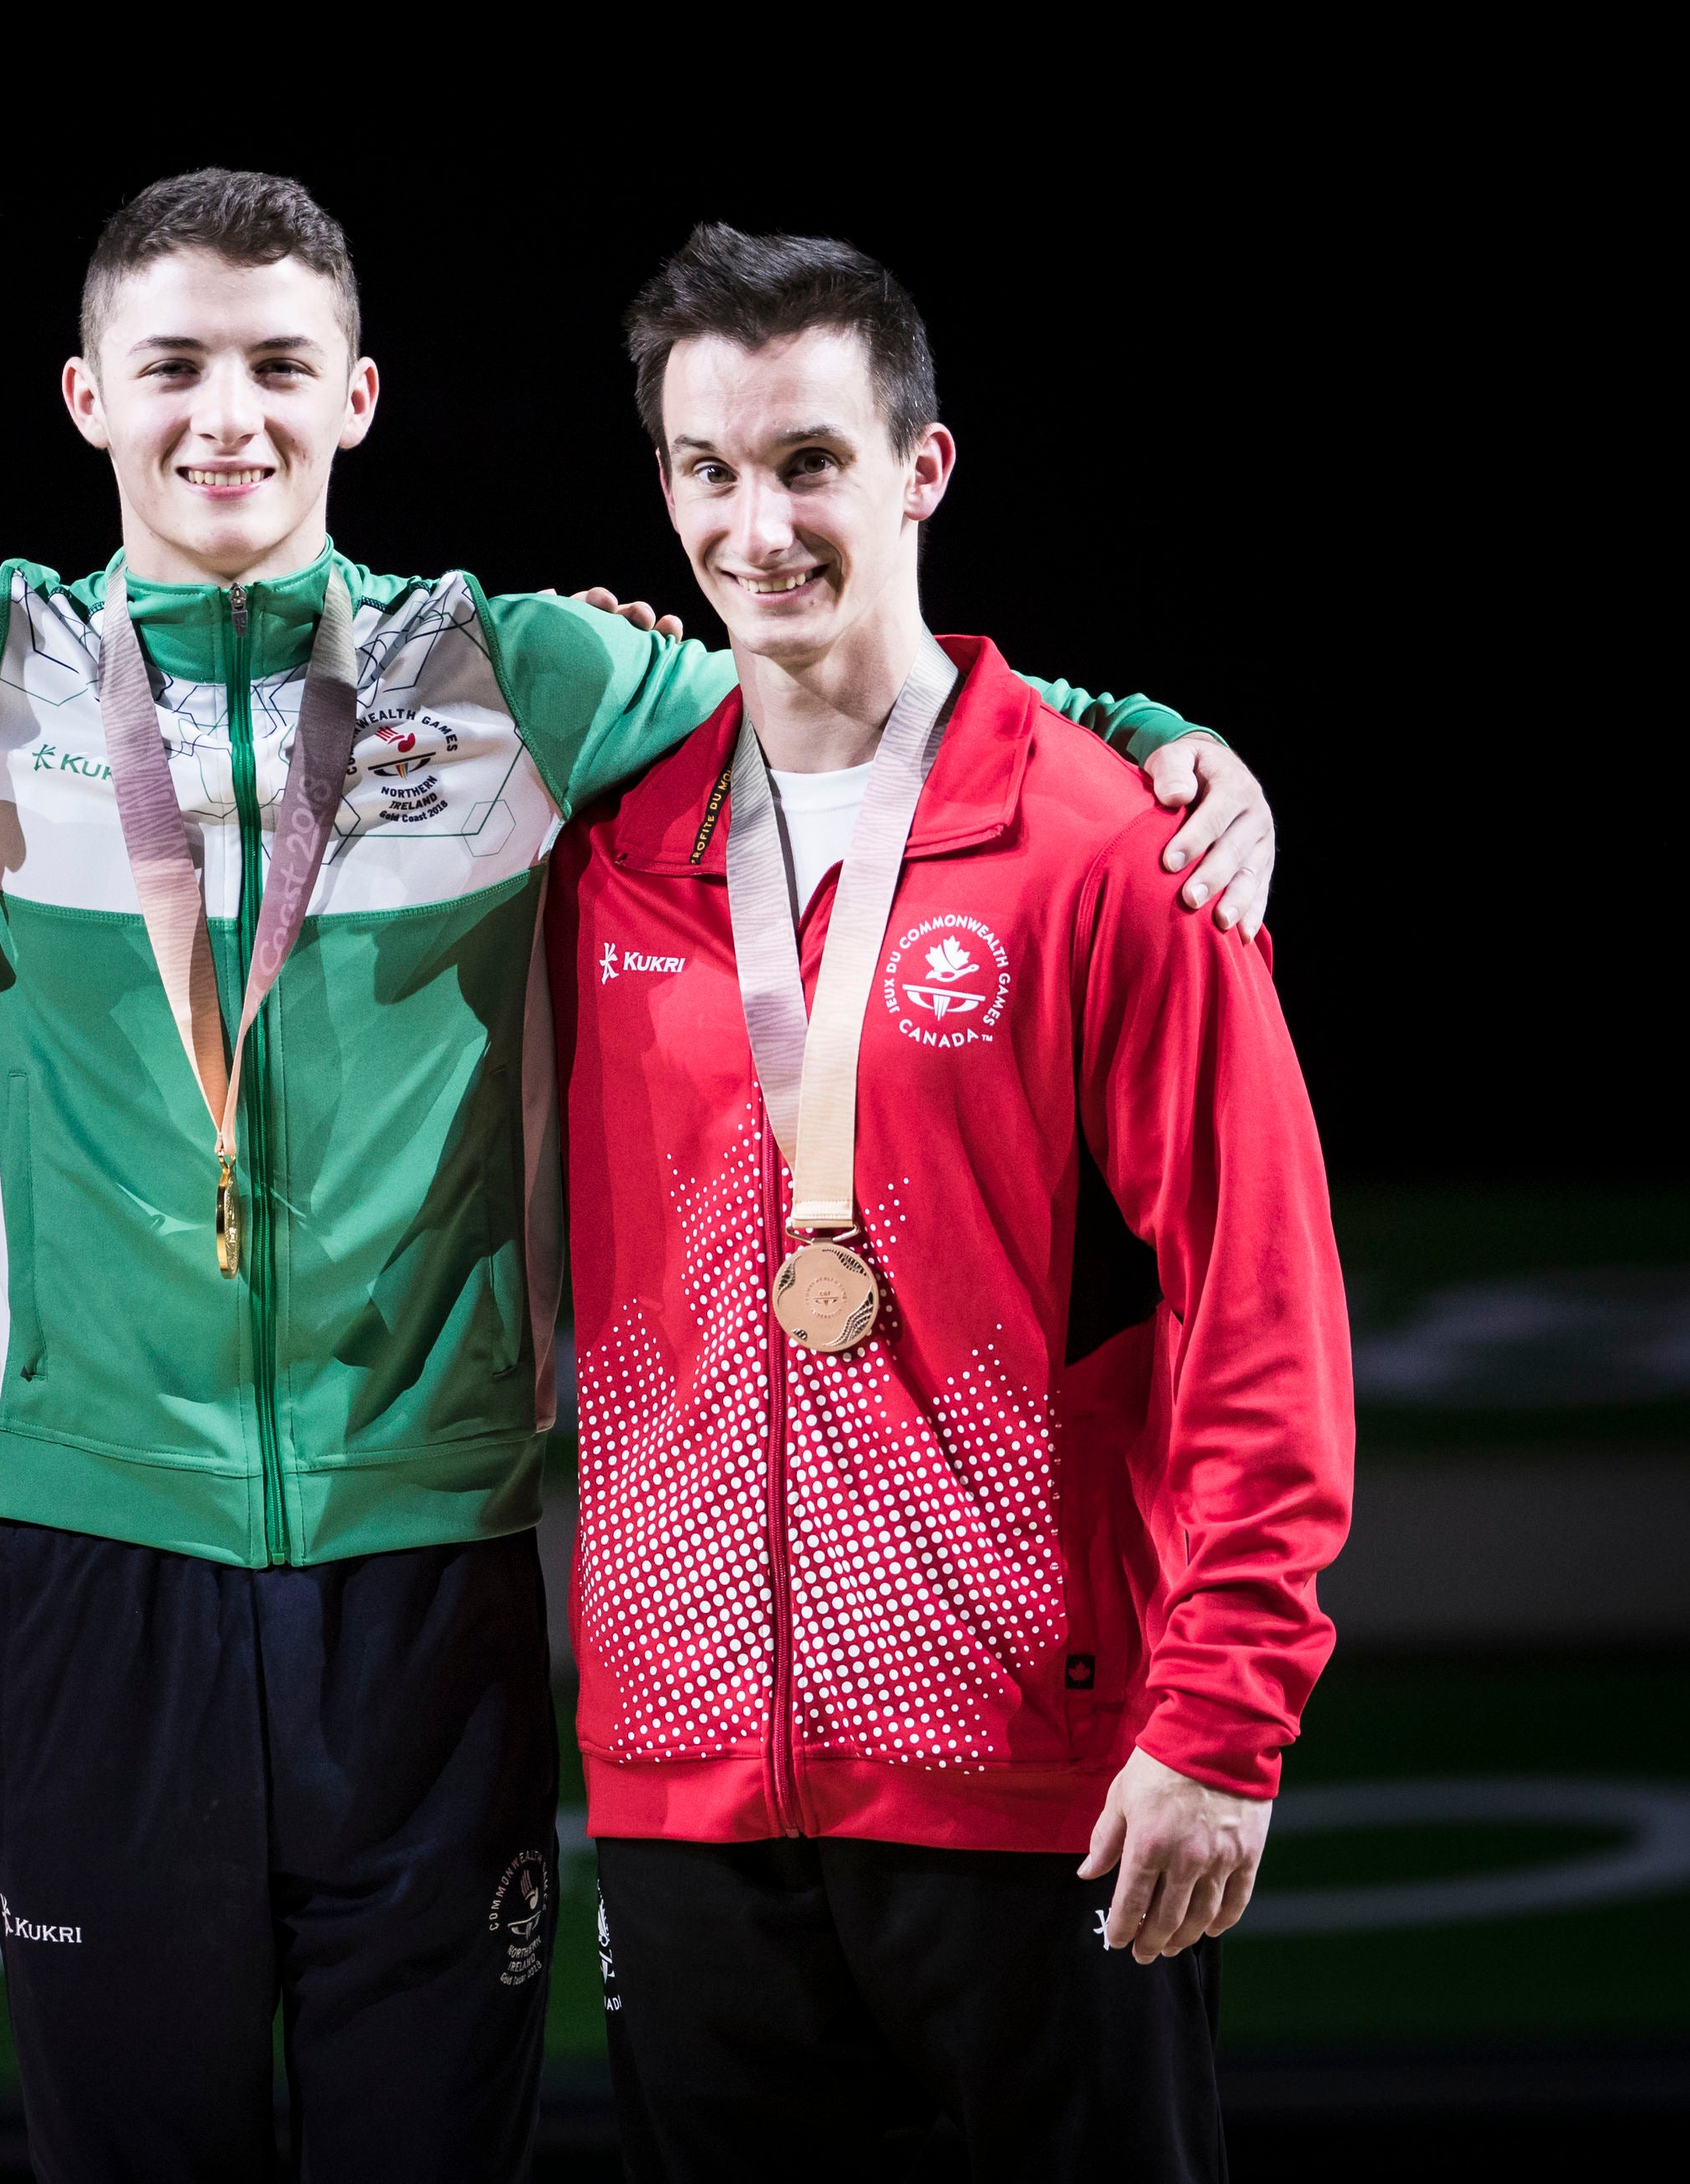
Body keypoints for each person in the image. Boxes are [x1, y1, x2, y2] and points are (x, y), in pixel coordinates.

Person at [0, 173, 1274, 2180]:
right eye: (177, 365)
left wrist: (1150, 729)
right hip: (93, 1560)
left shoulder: (516, 678)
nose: (229, 412)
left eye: (279, 364)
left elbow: (853, 707)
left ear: (360, 397)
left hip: (430, 1562)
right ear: (85, 398)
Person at [547, 223, 1350, 2181]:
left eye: (809, 461)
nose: (758, 525)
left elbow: (1261, 1316)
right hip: (686, 1793)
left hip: (1038, 1789)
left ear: (920, 469)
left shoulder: (1106, 853)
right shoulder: (598, 838)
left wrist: (1219, 1726)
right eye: (709, 472)